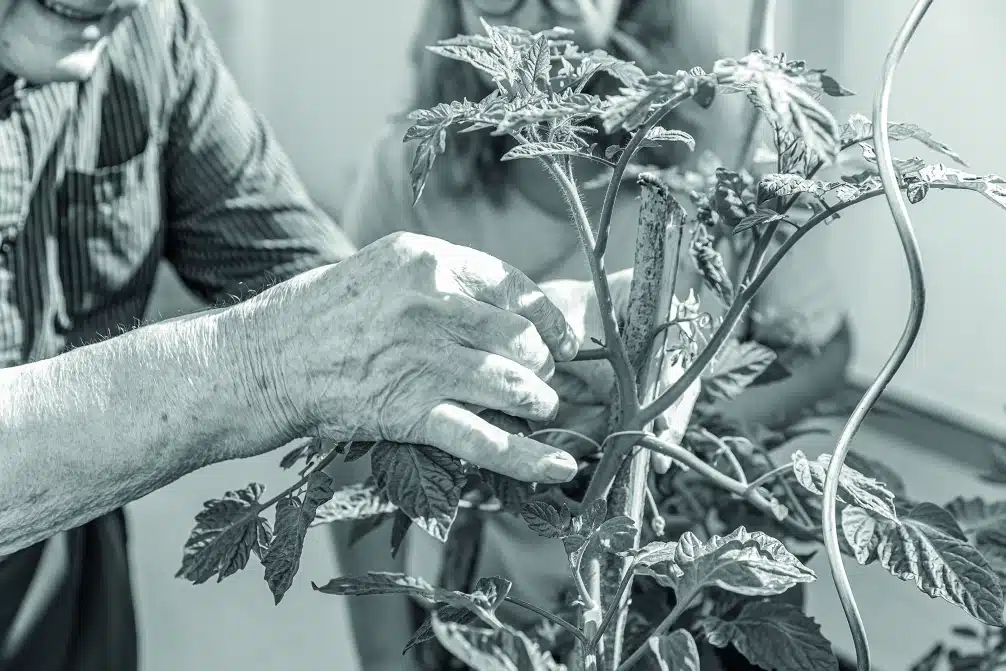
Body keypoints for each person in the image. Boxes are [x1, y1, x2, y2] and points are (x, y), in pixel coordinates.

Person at [0, 0, 641, 668]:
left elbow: (343, 300)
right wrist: (261, 364)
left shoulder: (149, 35)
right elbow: (307, 340)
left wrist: (545, 332)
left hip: (71, 616)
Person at [329, 1, 854, 670]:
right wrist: (384, 659)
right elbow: (351, 431)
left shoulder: (730, 141)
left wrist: (683, 432)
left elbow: (823, 348)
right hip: (499, 618)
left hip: (681, 597)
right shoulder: (409, 172)